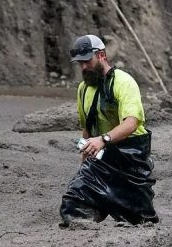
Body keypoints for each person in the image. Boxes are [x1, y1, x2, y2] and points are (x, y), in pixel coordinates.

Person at [59, 34, 159, 227]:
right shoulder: (83, 89)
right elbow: (87, 128)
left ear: (102, 55)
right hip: (101, 158)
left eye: (87, 61)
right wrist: (84, 162)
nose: (84, 67)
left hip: (131, 161)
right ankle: (88, 233)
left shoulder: (124, 82)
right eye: (80, 63)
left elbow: (131, 123)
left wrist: (102, 139)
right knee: (73, 202)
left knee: (142, 219)